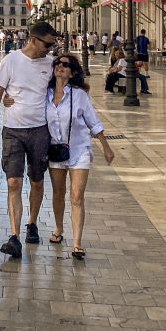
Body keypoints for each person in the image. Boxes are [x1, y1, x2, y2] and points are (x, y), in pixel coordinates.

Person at [0, 21, 59, 259]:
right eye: (47, 44)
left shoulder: (50, 64)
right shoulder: (11, 60)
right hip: (12, 129)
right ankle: (14, 236)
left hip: (40, 130)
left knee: (37, 181)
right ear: (33, 39)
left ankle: (32, 222)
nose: (49, 49)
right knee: (13, 182)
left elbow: (64, 91)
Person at [45, 54, 114, 260]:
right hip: (55, 151)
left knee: (76, 196)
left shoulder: (80, 95)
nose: (60, 66)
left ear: (72, 72)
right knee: (58, 193)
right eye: (57, 63)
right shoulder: (45, 94)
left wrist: (106, 147)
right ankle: (59, 229)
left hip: (79, 150)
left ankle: (77, 243)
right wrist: (8, 100)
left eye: (65, 65)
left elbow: (94, 122)